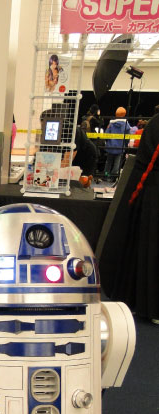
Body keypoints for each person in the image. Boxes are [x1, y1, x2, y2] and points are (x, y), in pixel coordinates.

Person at [98, 112, 159, 324]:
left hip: (149, 195)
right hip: (151, 195)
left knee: (145, 248)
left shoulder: (154, 124)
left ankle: (140, 302)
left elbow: (145, 160)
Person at [103, 106, 131, 182]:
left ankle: (106, 176)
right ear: (124, 114)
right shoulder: (126, 125)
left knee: (108, 162)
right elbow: (127, 137)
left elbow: (106, 134)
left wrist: (107, 142)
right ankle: (112, 177)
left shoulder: (111, 124)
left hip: (110, 146)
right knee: (117, 163)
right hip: (120, 147)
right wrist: (126, 145)